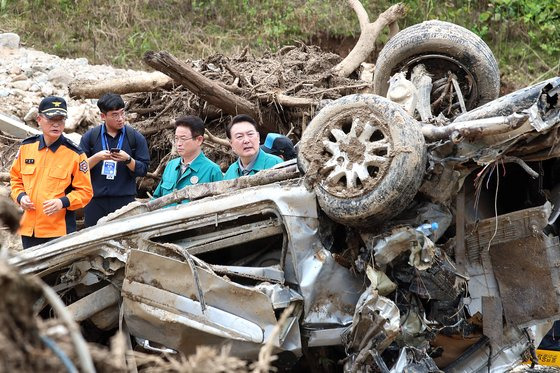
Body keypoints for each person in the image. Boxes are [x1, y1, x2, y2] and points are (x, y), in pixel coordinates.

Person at [10, 96, 93, 249]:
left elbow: (85, 192)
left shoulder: (75, 154)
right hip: (29, 229)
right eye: (51, 119)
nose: (56, 124)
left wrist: (62, 202)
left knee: (58, 273)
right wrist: (21, 197)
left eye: (61, 120)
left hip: (58, 231)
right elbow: (15, 179)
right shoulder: (27, 147)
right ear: (39, 119)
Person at [79, 93, 150, 227]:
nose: (121, 119)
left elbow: (144, 170)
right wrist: (97, 157)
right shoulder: (90, 137)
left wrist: (128, 160)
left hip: (125, 201)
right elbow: (78, 168)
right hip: (95, 201)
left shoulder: (135, 137)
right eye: (115, 115)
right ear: (103, 116)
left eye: (122, 113)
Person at [152, 115, 223, 200]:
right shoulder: (171, 166)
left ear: (199, 140)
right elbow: (156, 198)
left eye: (183, 139)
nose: (178, 143)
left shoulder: (212, 171)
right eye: (176, 138)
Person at [224, 114, 283, 180]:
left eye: (250, 134)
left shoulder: (276, 164)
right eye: (239, 137)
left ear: (258, 137)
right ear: (231, 144)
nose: (246, 141)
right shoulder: (230, 173)